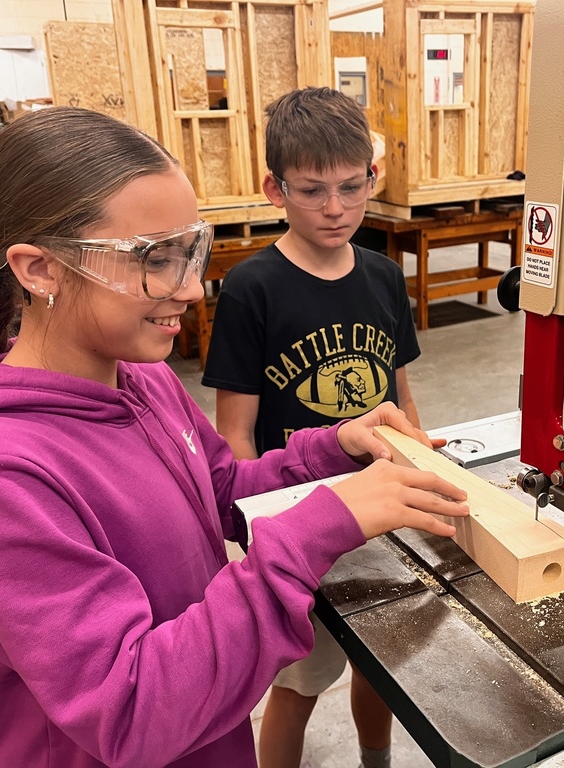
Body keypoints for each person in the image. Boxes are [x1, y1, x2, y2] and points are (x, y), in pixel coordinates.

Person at [0, 106, 469, 768]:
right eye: (156, 259)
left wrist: (334, 447)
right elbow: (131, 709)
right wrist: (320, 526)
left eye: (190, 252)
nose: (192, 288)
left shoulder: (142, 382)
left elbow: (222, 489)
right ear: (40, 269)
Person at [200, 87, 421, 768]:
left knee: (380, 660)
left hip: (382, 509)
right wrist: (247, 533)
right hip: (299, 522)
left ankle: (375, 761)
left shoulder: (384, 276)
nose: (335, 208)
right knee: (298, 680)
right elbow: (235, 432)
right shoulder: (252, 287)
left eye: (352, 188)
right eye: (312, 190)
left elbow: (400, 393)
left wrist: (426, 469)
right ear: (275, 188)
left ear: (372, 179)